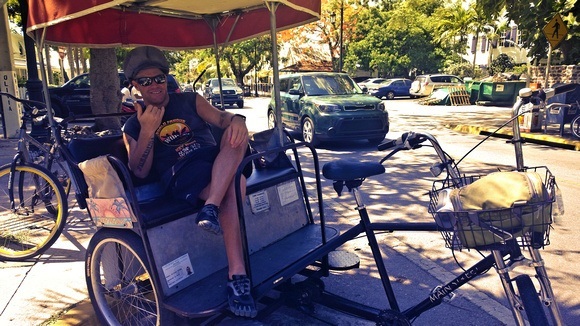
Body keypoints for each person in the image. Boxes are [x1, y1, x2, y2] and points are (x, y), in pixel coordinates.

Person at [121, 46, 257, 318]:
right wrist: (148, 130)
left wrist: (237, 120)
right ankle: (237, 275)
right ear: (135, 85)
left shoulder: (190, 100)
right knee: (236, 185)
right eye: (145, 81)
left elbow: (220, 117)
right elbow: (138, 170)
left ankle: (211, 208)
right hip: (181, 174)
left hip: (216, 160)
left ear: (166, 78)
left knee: (234, 136)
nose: (155, 85)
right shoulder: (133, 125)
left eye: (159, 78)